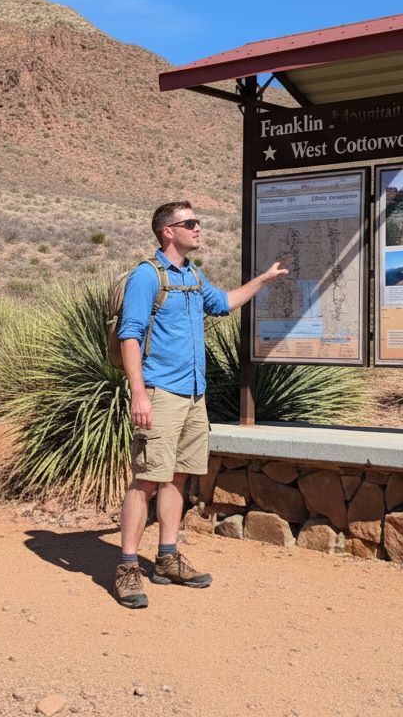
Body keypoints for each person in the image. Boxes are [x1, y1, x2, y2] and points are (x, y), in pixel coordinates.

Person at [113, 200, 289, 608]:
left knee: (177, 477)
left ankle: (167, 558)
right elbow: (130, 336)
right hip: (159, 393)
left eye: (198, 222)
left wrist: (264, 278)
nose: (198, 228)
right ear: (167, 232)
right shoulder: (147, 276)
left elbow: (223, 303)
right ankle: (126, 567)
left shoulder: (192, 275)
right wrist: (139, 393)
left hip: (194, 395)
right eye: (189, 223)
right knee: (145, 479)